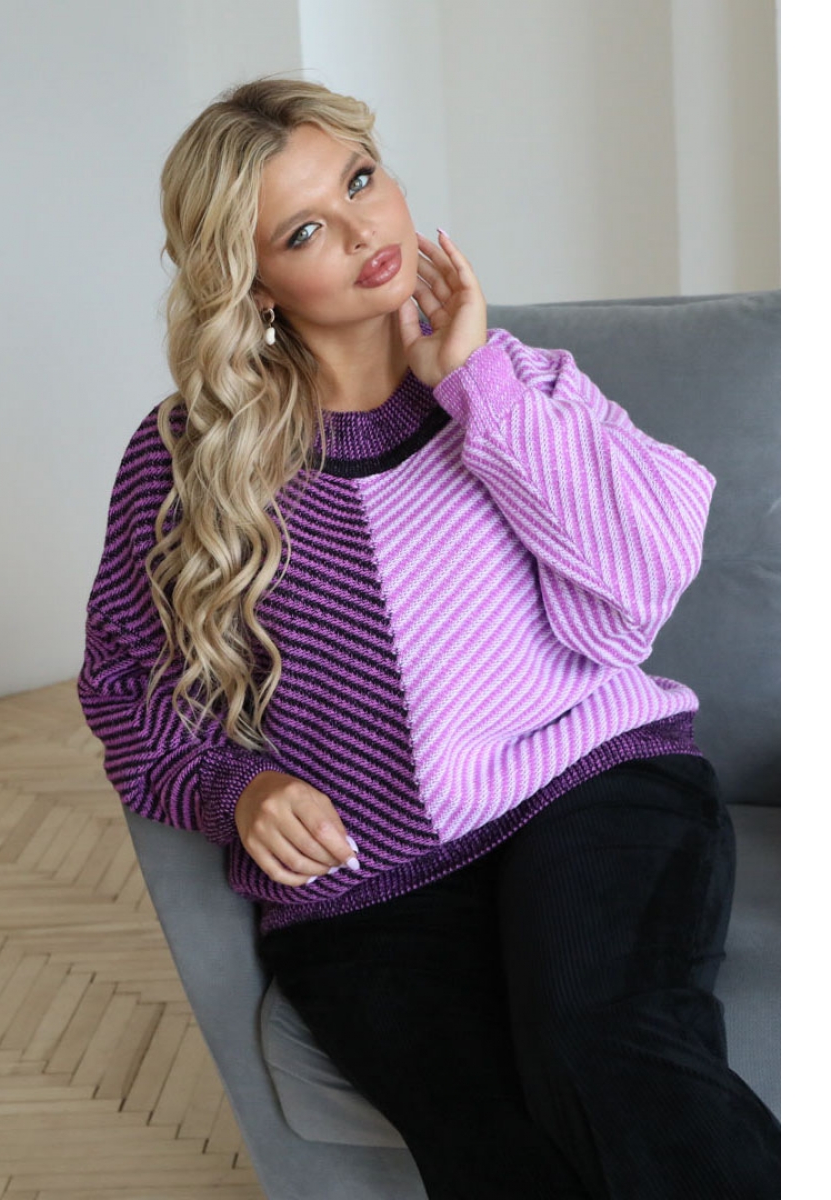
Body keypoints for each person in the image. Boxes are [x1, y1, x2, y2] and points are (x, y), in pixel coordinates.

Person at [77, 77, 781, 1199]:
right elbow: (127, 687)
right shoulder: (184, 462)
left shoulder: (524, 385)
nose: (365, 230)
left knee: (607, 1055)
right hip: (363, 881)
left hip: (591, 789)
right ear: (250, 280)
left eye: (362, 181)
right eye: (306, 230)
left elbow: (638, 592)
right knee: (492, 1147)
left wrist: (474, 387)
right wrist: (236, 789)